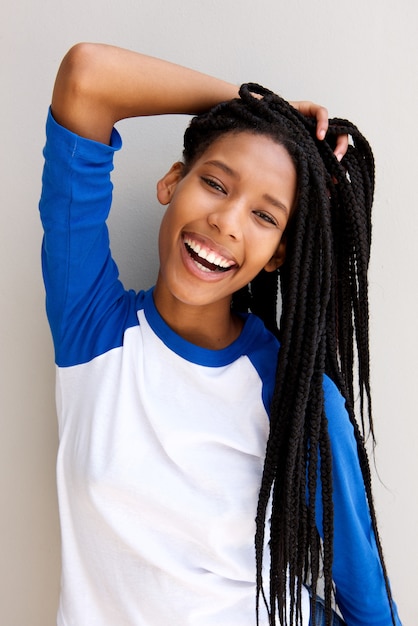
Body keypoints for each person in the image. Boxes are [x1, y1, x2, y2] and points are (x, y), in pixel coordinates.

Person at [39, 43, 402, 626]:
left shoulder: (295, 395)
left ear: (280, 254)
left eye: (265, 216)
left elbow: (367, 607)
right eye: (215, 183)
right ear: (172, 181)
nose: (226, 223)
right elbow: (87, 77)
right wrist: (256, 105)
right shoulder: (92, 327)